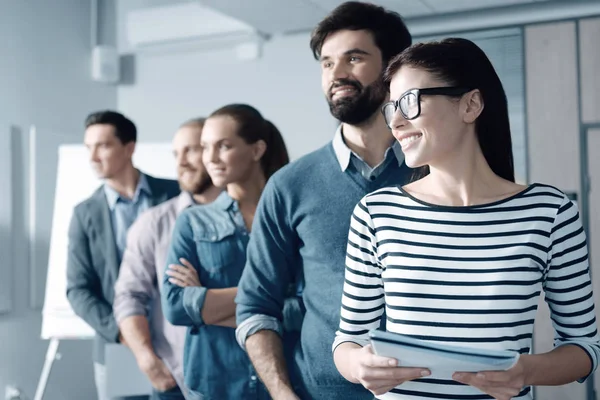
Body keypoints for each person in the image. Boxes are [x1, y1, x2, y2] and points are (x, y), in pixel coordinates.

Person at [333, 38, 600, 400]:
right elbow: (348, 341)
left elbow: (583, 346)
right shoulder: (376, 213)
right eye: (391, 108)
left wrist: (526, 370)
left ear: (470, 104)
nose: (395, 122)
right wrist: (358, 366)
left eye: (409, 103)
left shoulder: (550, 212)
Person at [234, 2, 414, 399]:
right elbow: (255, 307)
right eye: (327, 63)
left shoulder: (437, 173)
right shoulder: (289, 185)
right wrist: (283, 393)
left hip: (430, 391)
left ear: (393, 69)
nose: (337, 74)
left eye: (354, 58)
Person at [161, 104, 299, 400]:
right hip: (215, 384)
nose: (209, 159)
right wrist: (266, 303)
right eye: (205, 147)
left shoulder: (291, 219)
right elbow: (175, 305)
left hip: (283, 382)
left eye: (223, 146)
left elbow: (307, 308)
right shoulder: (193, 221)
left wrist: (208, 306)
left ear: (257, 149)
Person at [66, 110, 180, 400]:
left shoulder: (175, 194)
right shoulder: (84, 214)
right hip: (120, 348)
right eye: (88, 147)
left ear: (129, 148)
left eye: (102, 146)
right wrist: (126, 334)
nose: (93, 157)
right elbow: (78, 289)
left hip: (180, 341)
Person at [113, 118, 222, 400]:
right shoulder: (153, 223)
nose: (181, 162)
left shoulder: (251, 219)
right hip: (175, 379)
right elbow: (128, 296)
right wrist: (147, 359)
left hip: (239, 376)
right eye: (176, 153)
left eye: (191, 150)